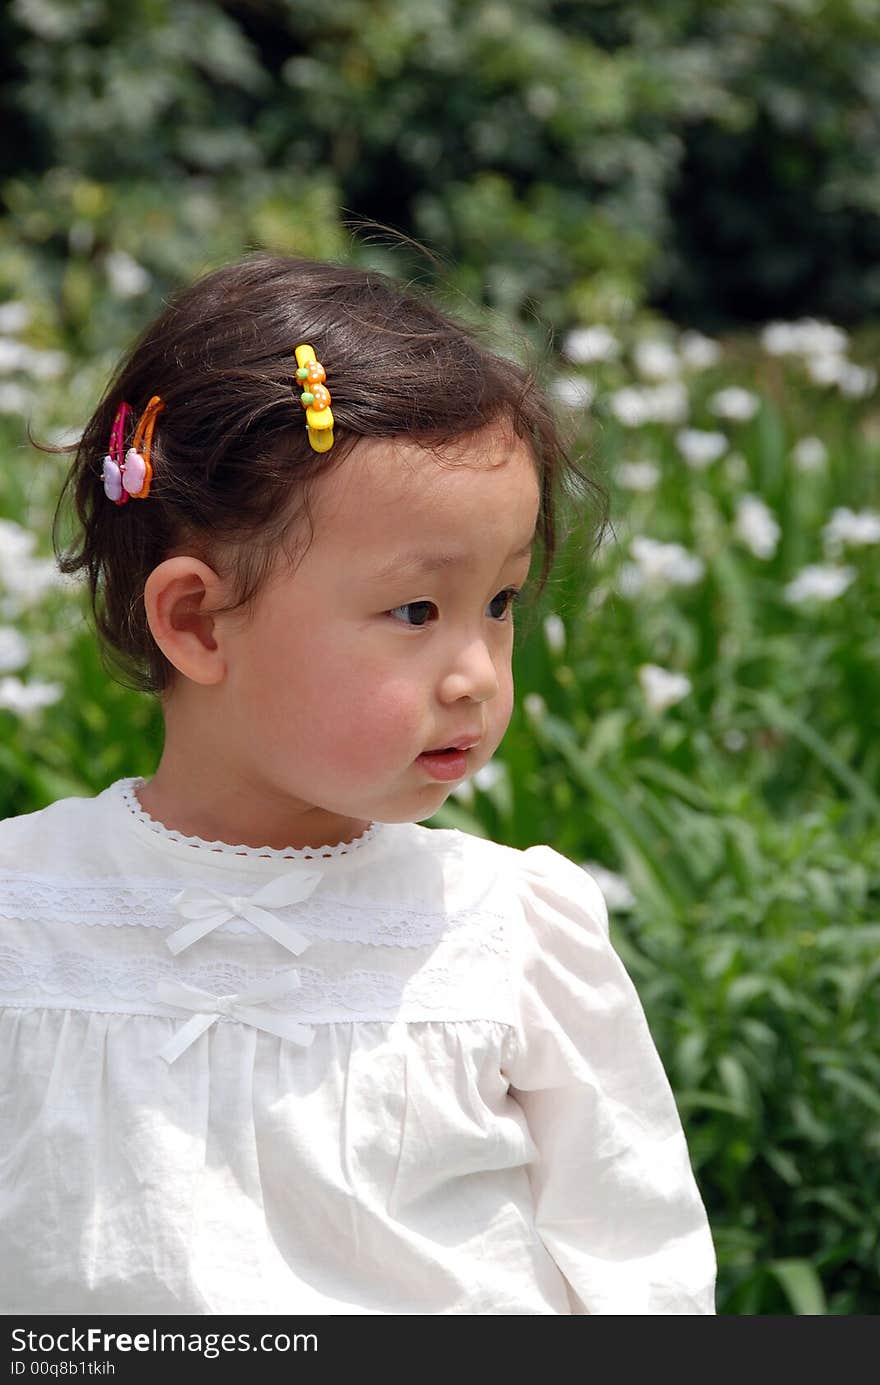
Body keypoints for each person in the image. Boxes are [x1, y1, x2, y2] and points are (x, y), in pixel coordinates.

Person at [0, 252, 716, 1314]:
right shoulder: (27, 913)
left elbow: (638, 1264)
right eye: (418, 612)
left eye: (502, 602)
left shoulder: (508, 931)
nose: (476, 671)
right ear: (198, 620)